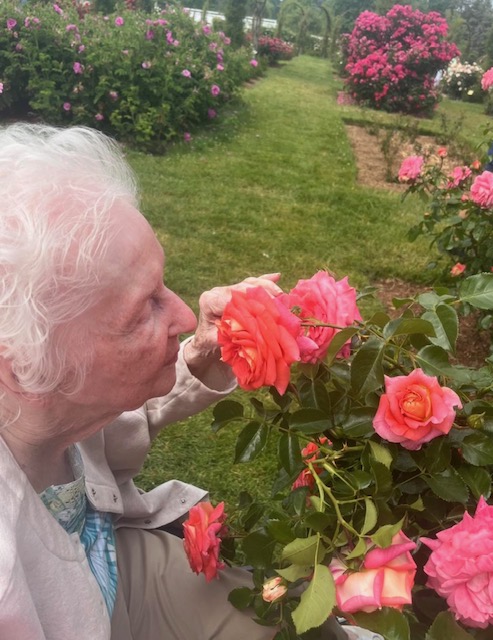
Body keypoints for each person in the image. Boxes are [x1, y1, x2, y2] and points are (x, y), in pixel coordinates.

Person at [0, 123, 355, 640]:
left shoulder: (46, 406)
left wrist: (202, 351)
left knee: (295, 623)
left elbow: (108, 422)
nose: (187, 315)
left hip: (115, 562)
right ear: (26, 370)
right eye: (143, 308)